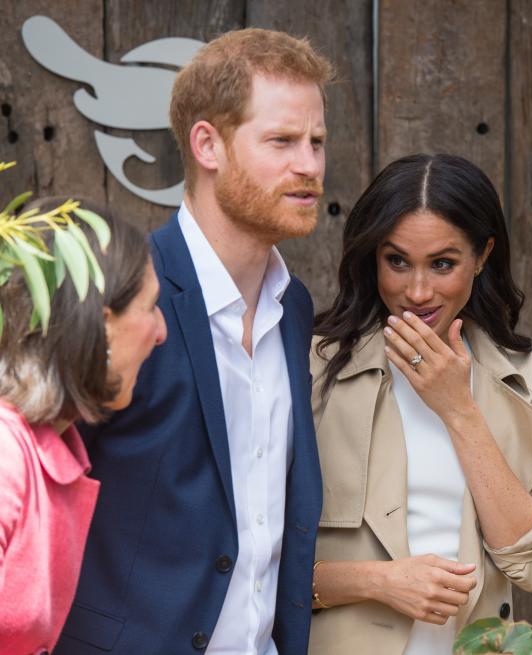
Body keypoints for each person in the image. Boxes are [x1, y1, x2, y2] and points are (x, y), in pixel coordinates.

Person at [57, 29, 331, 655]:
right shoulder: (120, 297)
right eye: (283, 141)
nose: (310, 165)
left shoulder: (294, 310)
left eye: (317, 142)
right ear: (207, 144)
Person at [309, 153, 532, 655]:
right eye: (397, 261)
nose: (417, 291)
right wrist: (379, 582)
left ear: (483, 255)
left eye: (443, 264)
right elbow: (253, 567)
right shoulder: (314, 369)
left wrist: (458, 408)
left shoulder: (520, 377)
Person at [0, 205, 167, 653]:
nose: (161, 331)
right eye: (150, 308)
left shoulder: (52, 447)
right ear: (101, 322)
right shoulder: (6, 456)